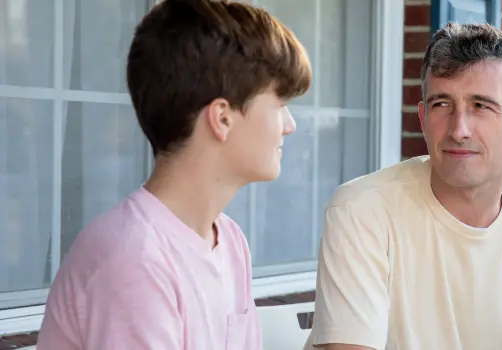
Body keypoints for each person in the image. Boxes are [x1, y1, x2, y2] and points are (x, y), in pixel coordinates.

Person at [304, 22, 502, 350]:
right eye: (441, 104)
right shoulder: (363, 211)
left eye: (481, 106)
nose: (459, 129)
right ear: (423, 119)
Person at [37, 0, 311, 349]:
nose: (290, 125)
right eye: (280, 105)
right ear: (222, 118)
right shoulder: (132, 257)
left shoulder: (229, 241)